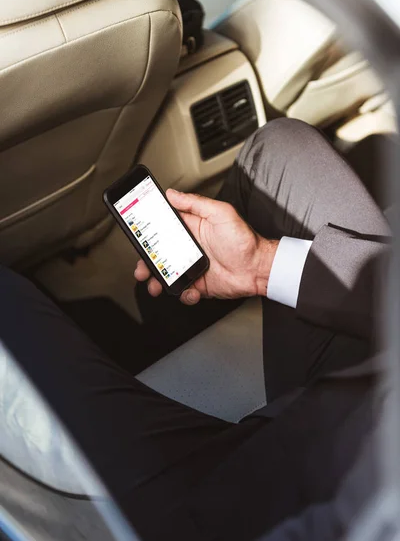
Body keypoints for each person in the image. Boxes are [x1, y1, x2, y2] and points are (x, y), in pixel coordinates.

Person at [0, 118, 391, 540]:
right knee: (280, 148)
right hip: (370, 394)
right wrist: (261, 265)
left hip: (254, 505)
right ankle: (165, 320)